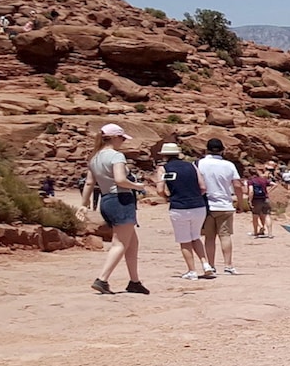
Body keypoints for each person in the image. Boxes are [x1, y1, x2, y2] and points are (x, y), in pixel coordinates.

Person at [79, 123, 149, 295]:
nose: (123, 142)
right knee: (120, 243)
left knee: (132, 242)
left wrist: (84, 203)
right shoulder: (116, 156)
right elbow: (120, 179)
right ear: (115, 138)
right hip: (121, 199)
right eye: (122, 138)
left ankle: (134, 281)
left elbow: (89, 183)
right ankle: (102, 280)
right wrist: (137, 186)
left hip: (106, 200)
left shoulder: (94, 158)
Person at [156, 143, 214, 280]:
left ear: (164, 155)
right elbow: (203, 187)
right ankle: (206, 264)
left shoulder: (163, 168)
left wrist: (168, 197)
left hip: (179, 207)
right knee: (195, 237)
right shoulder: (192, 165)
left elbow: (159, 189)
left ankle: (192, 270)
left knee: (184, 240)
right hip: (198, 206)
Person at [198, 138, 245, 275]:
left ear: (206, 149)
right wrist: (240, 203)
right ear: (222, 150)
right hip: (224, 204)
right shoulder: (229, 165)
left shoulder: (199, 164)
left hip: (206, 205)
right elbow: (237, 185)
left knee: (209, 237)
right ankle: (228, 265)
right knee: (225, 236)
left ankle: (211, 265)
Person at [246, 166, 274, 238]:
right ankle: (270, 233)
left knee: (255, 216)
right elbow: (274, 184)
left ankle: (255, 232)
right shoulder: (263, 180)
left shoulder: (251, 181)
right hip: (265, 199)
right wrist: (268, 191)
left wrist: (249, 200)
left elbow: (251, 191)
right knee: (267, 215)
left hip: (256, 200)